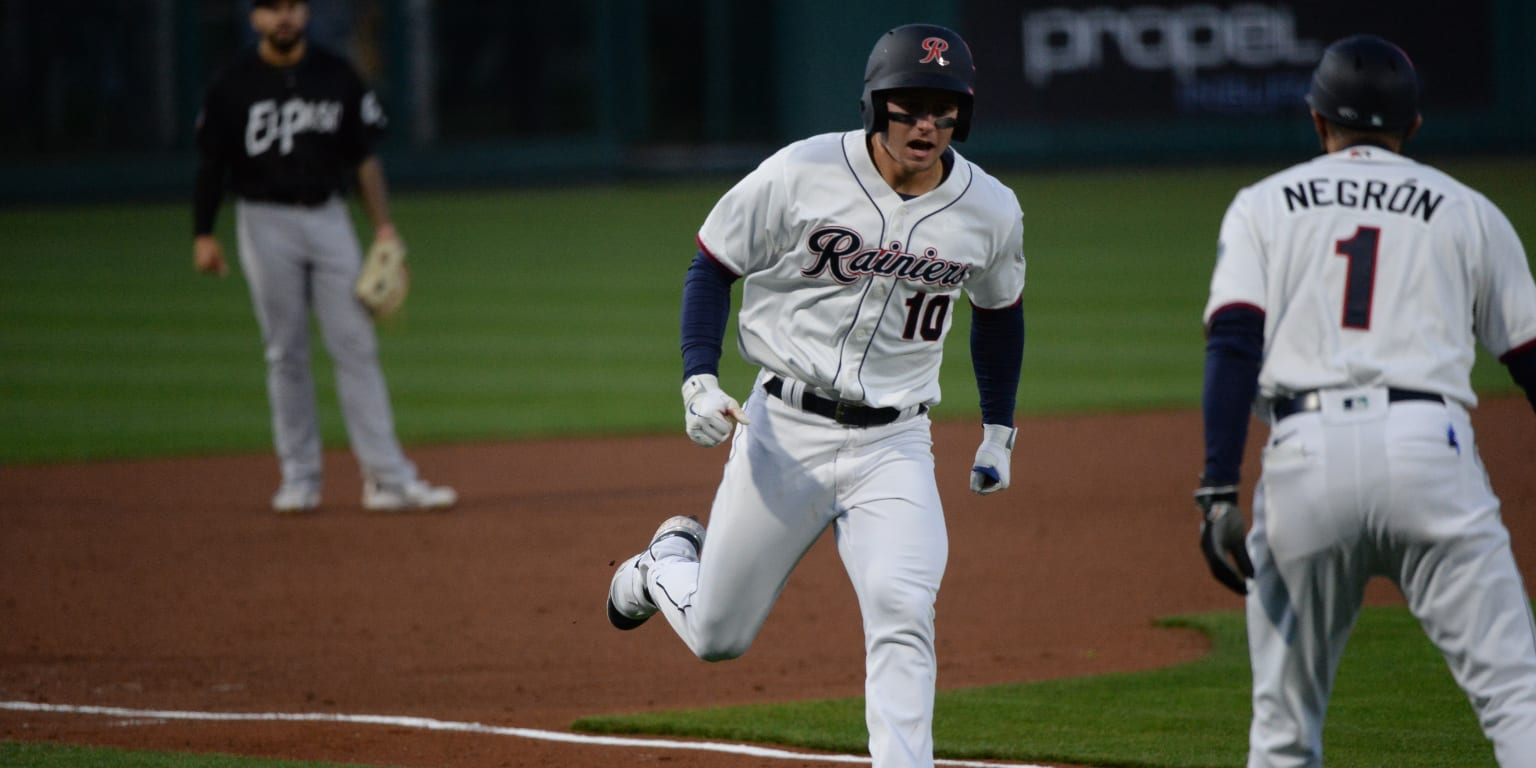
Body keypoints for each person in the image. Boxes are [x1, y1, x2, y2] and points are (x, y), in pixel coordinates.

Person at [604, 23, 1025, 768]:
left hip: (895, 445)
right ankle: (660, 566)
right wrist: (698, 378)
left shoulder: (989, 209)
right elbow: (711, 264)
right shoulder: (801, 173)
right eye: (908, 105)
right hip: (782, 432)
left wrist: (999, 430)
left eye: (943, 107)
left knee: (903, 611)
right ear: (875, 105)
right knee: (718, 637)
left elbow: (999, 315)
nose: (925, 124)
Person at [1196, 33, 1536, 766]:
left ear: (1317, 121)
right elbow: (1531, 358)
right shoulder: (1468, 210)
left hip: (1304, 461)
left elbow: (1232, 342)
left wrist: (1219, 486)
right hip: (1430, 454)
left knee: (1283, 732)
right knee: (1518, 699)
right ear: (1412, 128)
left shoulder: (1263, 205)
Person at [191, 0, 455, 514]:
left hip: (329, 216)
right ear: (255, 20)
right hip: (262, 219)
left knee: (356, 344)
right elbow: (212, 163)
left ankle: (387, 479)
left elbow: (363, 159)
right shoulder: (233, 84)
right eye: (272, 9)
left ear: (305, 13)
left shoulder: (337, 75)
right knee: (284, 351)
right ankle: (299, 479)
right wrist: (203, 233)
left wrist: (383, 227)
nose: (283, 17)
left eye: (292, 6)